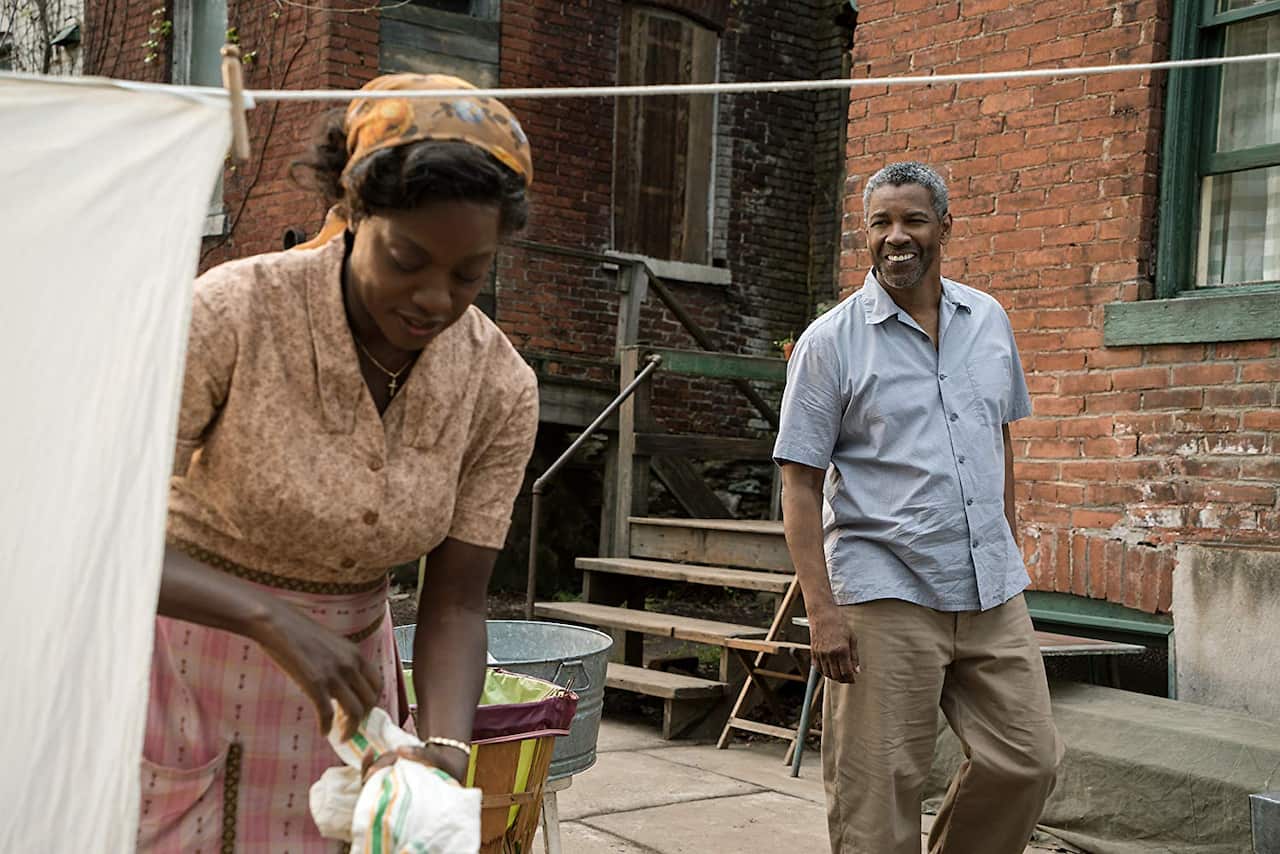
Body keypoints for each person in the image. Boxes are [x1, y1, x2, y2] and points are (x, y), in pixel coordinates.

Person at [139, 74, 540, 851]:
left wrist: (445, 754)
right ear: (353, 212)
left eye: (467, 275)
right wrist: (269, 618)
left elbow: (456, 602)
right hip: (182, 669)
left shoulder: (499, 385)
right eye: (406, 259)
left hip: (350, 698)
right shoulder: (234, 313)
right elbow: (97, 531)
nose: (433, 298)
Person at [774, 161, 1063, 854]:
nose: (895, 236)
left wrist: (1006, 543)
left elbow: (999, 439)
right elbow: (799, 483)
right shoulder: (830, 342)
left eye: (912, 220)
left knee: (1028, 762)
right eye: (880, 223)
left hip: (989, 592)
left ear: (945, 228)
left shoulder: (988, 319)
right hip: (885, 591)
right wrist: (822, 611)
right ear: (865, 234)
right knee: (879, 796)